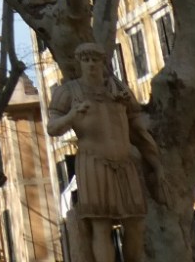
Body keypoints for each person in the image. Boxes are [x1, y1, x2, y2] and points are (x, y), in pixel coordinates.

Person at [47, 42, 161, 262]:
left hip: (126, 162)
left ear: (103, 63)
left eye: (95, 60)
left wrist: (152, 156)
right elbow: (53, 128)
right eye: (86, 60)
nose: (91, 64)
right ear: (79, 63)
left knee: (135, 223)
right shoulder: (68, 92)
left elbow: (137, 123)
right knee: (101, 225)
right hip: (93, 163)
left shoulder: (118, 89)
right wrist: (72, 115)